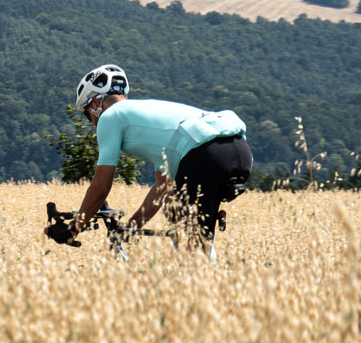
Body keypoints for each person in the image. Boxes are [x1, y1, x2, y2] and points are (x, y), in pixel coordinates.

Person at [64, 64, 251, 256]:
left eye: (87, 115)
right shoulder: (148, 113)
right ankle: (214, 272)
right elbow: (163, 187)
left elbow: (100, 188)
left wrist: (73, 228)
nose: (92, 122)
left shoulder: (110, 117)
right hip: (239, 150)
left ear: (95, 103)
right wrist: (132, 226)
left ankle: (206, 272)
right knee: (193, 236)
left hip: (204, 154)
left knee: (191, 246)